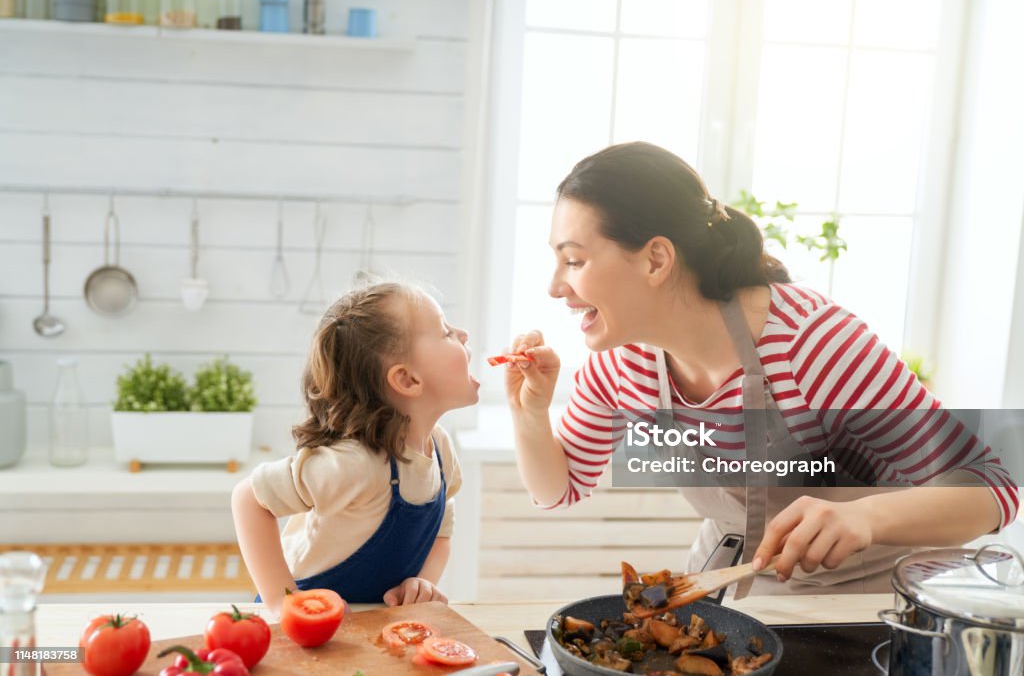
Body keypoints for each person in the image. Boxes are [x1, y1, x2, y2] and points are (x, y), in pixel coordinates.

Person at [504, 142, 1019, 596]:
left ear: (656, 260)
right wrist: (530, 413)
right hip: (731, 580)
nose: (555, 287)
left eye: (573, 261)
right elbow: (559, 488)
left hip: (861, 595)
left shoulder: (810, 346)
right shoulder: (622, 365)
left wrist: (864, 517)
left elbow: (996, 485)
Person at [232, 280, 479, 613]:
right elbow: (249, 498)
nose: (462, 333)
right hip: (301, 626)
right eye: (446, 332)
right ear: (407, 379)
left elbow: (441, 532)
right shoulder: (357, 463)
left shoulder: (439, 448)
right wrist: (282, 603)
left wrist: (423, 583)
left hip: (371, 624)